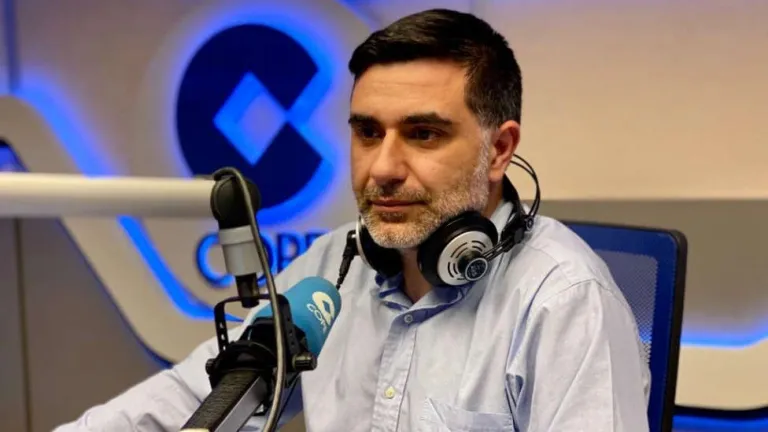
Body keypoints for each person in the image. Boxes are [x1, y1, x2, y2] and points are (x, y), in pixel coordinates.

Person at [55, 8, 650, 432]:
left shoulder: (566, 302)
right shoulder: (333, 268)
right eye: (368, 132)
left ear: (498, 149)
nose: (382, 168)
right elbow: (196, 397)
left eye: (423, 133)